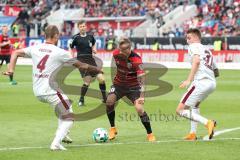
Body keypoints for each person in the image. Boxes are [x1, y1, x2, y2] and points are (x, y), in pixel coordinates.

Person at [3, 25, 103, 150]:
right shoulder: (60, 52)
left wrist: (11, 70)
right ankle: (56, 143)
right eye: (58, 35)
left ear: (45, 35)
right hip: (49, 90)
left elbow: (15, 52)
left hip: (37, 90)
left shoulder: (36, 48)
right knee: (70, 115)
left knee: (64, 108)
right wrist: (97, 69)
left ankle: (64, 135)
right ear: (56, 36)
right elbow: (81, 66)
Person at [106, 37, 156, 142]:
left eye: (122, 50)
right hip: (118, 85)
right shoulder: (115, 54)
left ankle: (150, 133)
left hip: (133, 87)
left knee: (139, 109)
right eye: (119, 49)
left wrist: (142, 96)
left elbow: (142, 78)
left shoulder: (137, 60)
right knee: (109, 102)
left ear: (129, 49)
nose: (120, 52)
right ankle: (112, 128)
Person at [176, 28, 219, 140]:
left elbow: (196, 61)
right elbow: (216, 71)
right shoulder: (207, 50)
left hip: (200, 82)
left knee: (180, 110)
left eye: (189, 38)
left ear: (196, 38)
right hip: (212, 83)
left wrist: (189, 80)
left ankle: (208, 122)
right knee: (195, 105)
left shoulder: (193, 46)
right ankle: (193, 133)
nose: (187, 40)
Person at [69, 20, 107, 106]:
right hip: (81, 61)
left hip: (91, 60)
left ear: (86, 27)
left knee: (101, 79)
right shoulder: (75, 37)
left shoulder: (90, 36)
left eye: (84, 26)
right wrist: (72, 58)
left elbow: (94, 43)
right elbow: (70, 48)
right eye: (81, 26)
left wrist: (94, 49)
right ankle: (81, 100)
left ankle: (104, 99)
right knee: (87, 81)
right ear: (78, 28)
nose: (82, 28)